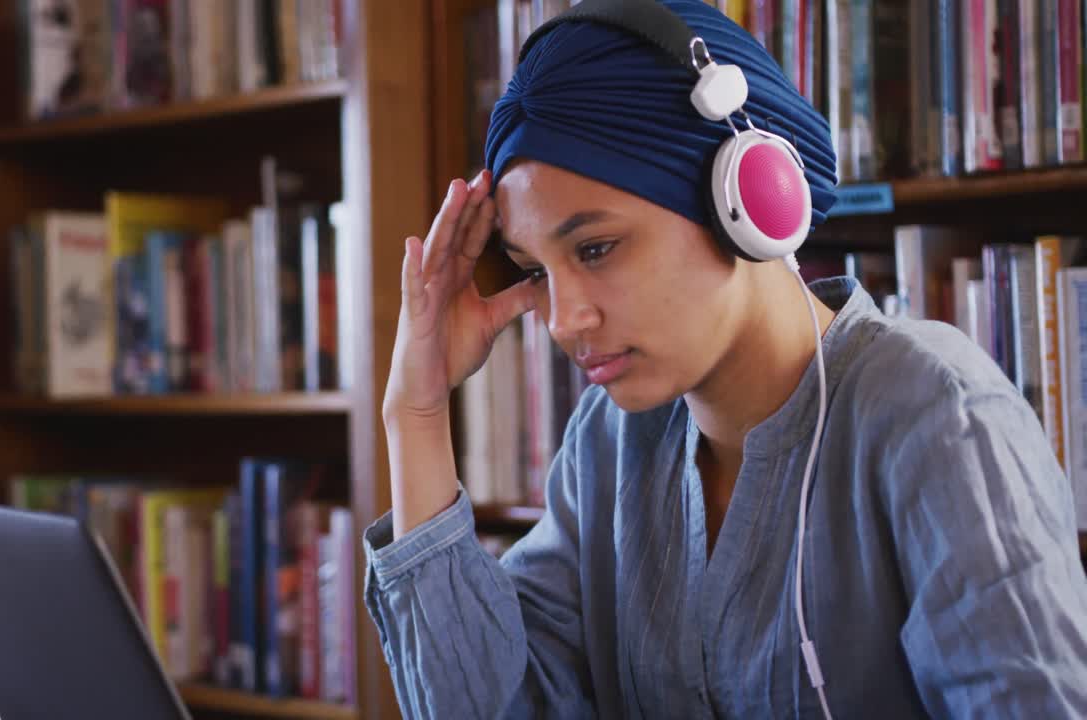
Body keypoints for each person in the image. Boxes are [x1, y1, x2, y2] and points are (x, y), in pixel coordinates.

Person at [364, 1, 1087, 718]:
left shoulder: (939, 419)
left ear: (745, 198)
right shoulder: (606, 449)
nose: (562, 320)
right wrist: (417, 413)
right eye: (539, 271)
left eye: (595, 249)